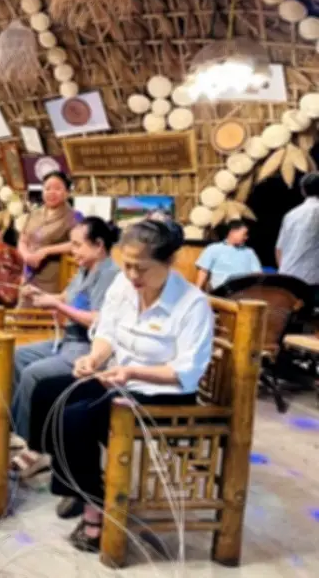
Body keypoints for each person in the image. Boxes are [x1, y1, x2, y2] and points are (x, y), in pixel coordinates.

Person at [28, 219, 213, 552]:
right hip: (120, 381)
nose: (132, 275)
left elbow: (186, 371)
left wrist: (133, 373)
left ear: (169, 261)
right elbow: (107, 333)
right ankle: (82, 484)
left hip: (162, 396)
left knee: (75, 418)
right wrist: (94, 358)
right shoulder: (123, 286)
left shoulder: (192, 303)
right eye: (127, 265)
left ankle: (94, 509)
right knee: (46, 393)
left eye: (141, 268)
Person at [10, 218, 121, 487]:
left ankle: (35, 447)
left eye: (77, 245)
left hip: (87, 346)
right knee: (15, 356)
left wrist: (58, 306)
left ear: (99, 245)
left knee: (34, 374)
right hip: (67, 341)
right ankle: (23, 433)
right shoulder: (85, 269)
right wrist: (43, 295)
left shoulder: (111, 275)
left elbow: (97, 320)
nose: (72, 250)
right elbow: (67, 297)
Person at [17, 171, 77, 300]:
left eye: (57, 189)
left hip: (53, 277)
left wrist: (46, 251)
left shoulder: (73, 216)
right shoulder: (34, 213)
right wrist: (26, 255)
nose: (51, 192)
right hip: (28, 274)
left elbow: (76, 244)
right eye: (47, 188)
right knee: (23, 309)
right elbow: (22, 240)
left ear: (67, 192)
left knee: (45, 307)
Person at [276, 172, 319, 293]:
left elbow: (279, 250)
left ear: (303, 191)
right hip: (313, 281)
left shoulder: (291, 215)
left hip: (288, 277)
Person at [196, 219, 262, 291]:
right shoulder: (213, 249)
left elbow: (257, 274)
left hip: (244, 291)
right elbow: (203, 271)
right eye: (244, 234)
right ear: (232, 232)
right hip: (220, 291)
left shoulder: (249, 252)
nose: (246, 237)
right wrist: (197, 291)